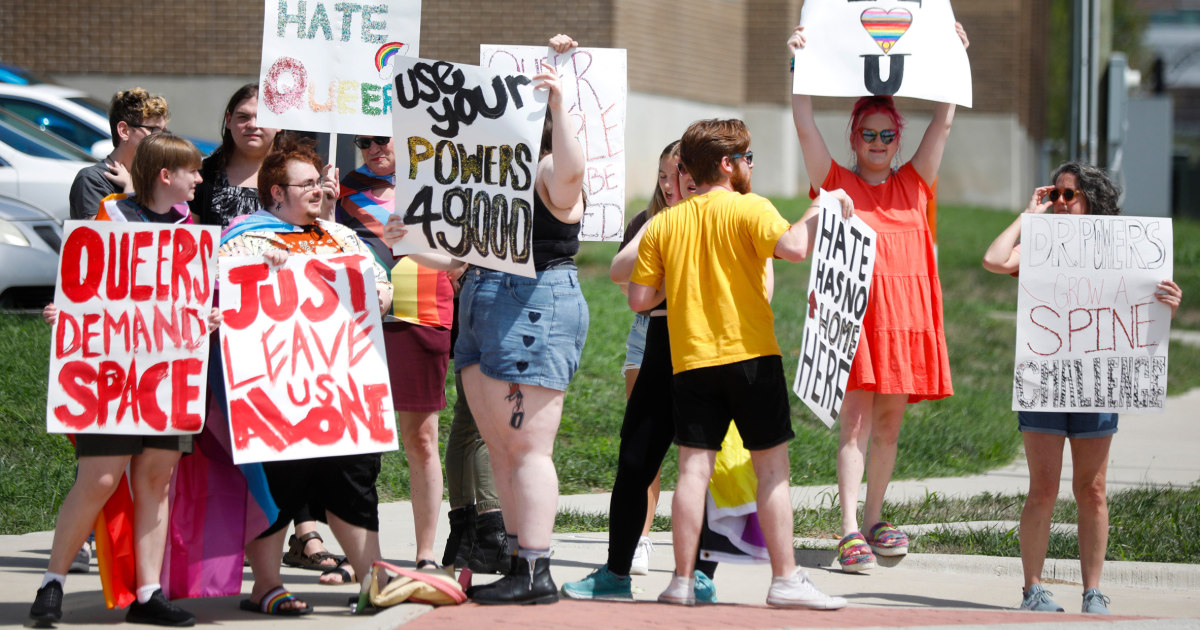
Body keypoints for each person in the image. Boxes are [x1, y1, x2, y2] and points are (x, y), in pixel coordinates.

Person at [628, 117, 847, 610]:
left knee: (691, 473)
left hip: (691, 361)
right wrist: (820, 206)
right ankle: (786, 580)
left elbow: (639, 299)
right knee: (772, 472)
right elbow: (792, 247)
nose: (750, 165)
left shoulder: (664, 221)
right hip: (751, 357)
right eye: (746, 157)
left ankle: (680, 581)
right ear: (727, 165)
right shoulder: (751, 207)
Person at [788, 22, 967, 573]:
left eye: (887, 135)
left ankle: (875, 516)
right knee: (856, 426)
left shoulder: (916, 182)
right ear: (853, 137)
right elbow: (803, 125)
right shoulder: (836, 181)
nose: (878, 144)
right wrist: (799, 65)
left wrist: (952, 56)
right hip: (859, 322)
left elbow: (945, 118)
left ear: (898, 138)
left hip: (907, 321)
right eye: (868, 134)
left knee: (889, 425)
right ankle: (846, 528)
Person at [420, 33, 588, 605]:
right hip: (481, 300)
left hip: (533, 299)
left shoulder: (546, 168)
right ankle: (521, 560)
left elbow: (571, 173)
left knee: (528, 446)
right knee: (498, 445)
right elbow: (459, 258)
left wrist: (560, 104)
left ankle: (537, 569)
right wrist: (407, 243)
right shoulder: (487, 179)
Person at [982, 162, 1183, 614]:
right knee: (1043, 489)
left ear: (1091, 198)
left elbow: (1140, 312)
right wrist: (1028, 216)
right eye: (1055, 194)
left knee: (1092, 490)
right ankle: (1033, 589)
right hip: (1047, 382)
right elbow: (995, 260)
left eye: (1068, 195)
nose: (1060, 203)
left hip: (1097, 384)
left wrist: (1167, 305)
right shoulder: (1041, 246)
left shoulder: (1127, 250)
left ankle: (1093, 591)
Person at [31, 132, 213, 627]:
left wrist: (205, 317)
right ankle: (53, 582)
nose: (199, 179)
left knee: (157, 479)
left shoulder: (190, 230)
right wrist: (63, 311)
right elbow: (82, 287)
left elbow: (188, 301)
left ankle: (148, 593)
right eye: (192, 171)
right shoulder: (107, 220)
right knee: (100, 479)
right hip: (111, 378)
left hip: (168, 377)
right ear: (165, 176)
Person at [216, 135, 393, 615]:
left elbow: (377, 279)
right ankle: (266, 586)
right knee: (280, 482)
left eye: (320, 183)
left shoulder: (341, 235)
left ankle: (371, 581)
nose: (319, 191)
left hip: (342, 391)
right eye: (307, 184)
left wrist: (381, 293)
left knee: (354, 478)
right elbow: (220, 287)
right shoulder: (245, 237)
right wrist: (260, 266)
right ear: (277, 192)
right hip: (274, 395)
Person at [562, 141, 723, 601]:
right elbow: (624, 277)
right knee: (636, 458)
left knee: (703, 462)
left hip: (710, 345)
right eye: (667, 176)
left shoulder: (725, 215)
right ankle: (617, 572)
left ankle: (699, 572)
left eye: (685, 178)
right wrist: (667, 243)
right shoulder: (659, 222)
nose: (674, 186)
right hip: (657, 339)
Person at [334, 134, 455, 576]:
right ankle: (364, 559)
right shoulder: (341, 187)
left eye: (381, 140)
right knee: (360, 447)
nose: (372, 149)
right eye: (363, 142)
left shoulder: (433, 183)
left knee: (421, 439)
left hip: (422, 313)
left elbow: (460, 255)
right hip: (356, 320)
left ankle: (426, 553)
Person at [68, 87, 168, 220]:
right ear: (124, 131)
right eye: (152, 129)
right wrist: (130, 191)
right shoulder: (92, 179)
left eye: (162, 131)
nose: (160, 138)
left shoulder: (154, 178)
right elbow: (102, 235)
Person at [189, 83, 281, 228]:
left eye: (262, 117)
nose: (252, 124)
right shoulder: (200, 176)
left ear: (279, 122)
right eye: (243, 117)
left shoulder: (296, 177)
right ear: (228, 120)